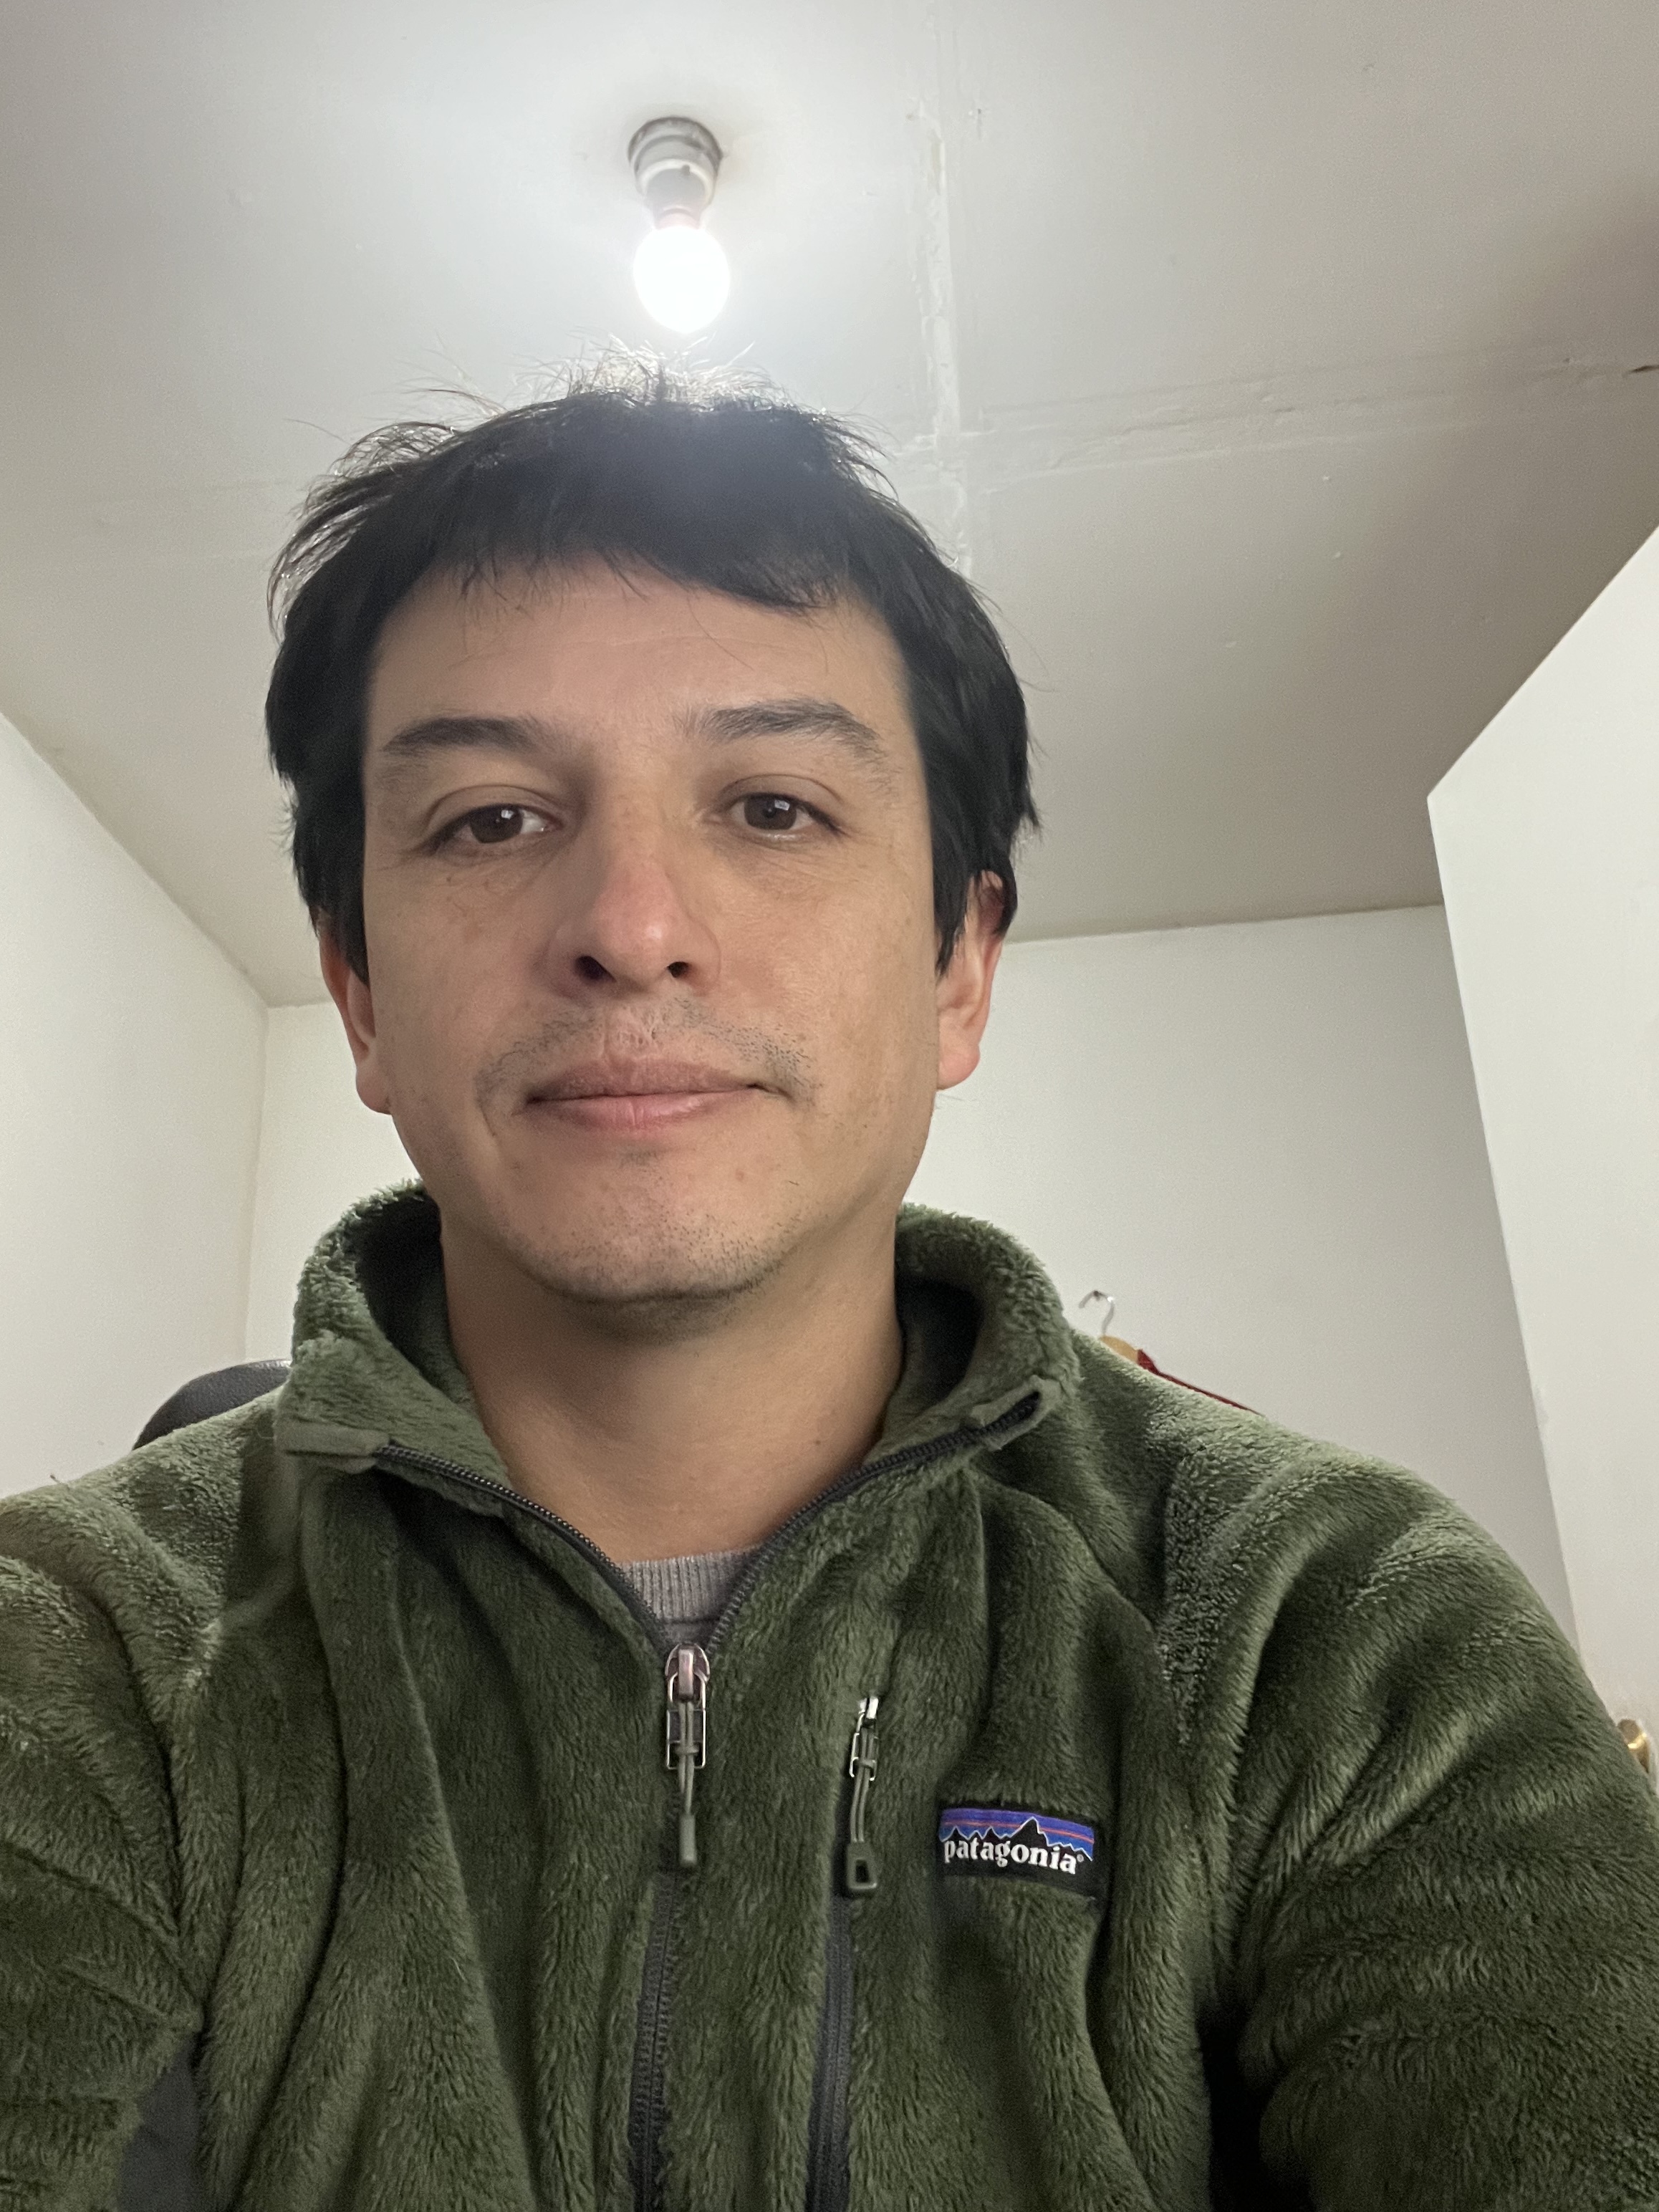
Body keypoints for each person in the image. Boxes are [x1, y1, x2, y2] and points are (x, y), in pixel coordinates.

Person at [2, 360, 1657, 2212]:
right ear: (361, 991)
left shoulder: (1333, 1632)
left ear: (961, 967)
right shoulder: (77, 1648)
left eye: (774, 807)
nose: (632, 927)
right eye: (489, 820)